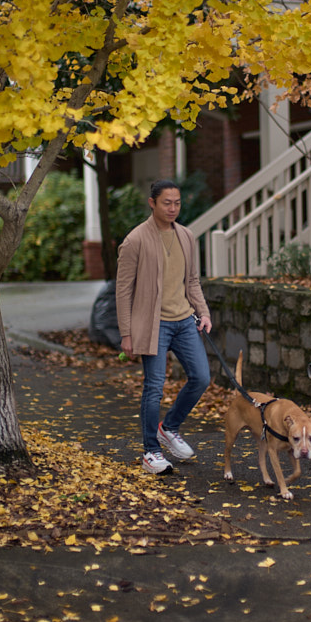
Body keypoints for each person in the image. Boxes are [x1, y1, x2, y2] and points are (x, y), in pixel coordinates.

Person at [116, 180, 212, 474]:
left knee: (201, 378)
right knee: (154, 388)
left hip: (184, 321)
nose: (173, 208)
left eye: (177, 203)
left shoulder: (186, 236)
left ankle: (168, 427)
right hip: (153, 325)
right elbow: (123, 290)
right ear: (152, 203)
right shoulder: (135, 240)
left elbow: (192, 280)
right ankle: (151, 452)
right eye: (166, 203)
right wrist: (127, 333)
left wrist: (203, 312)